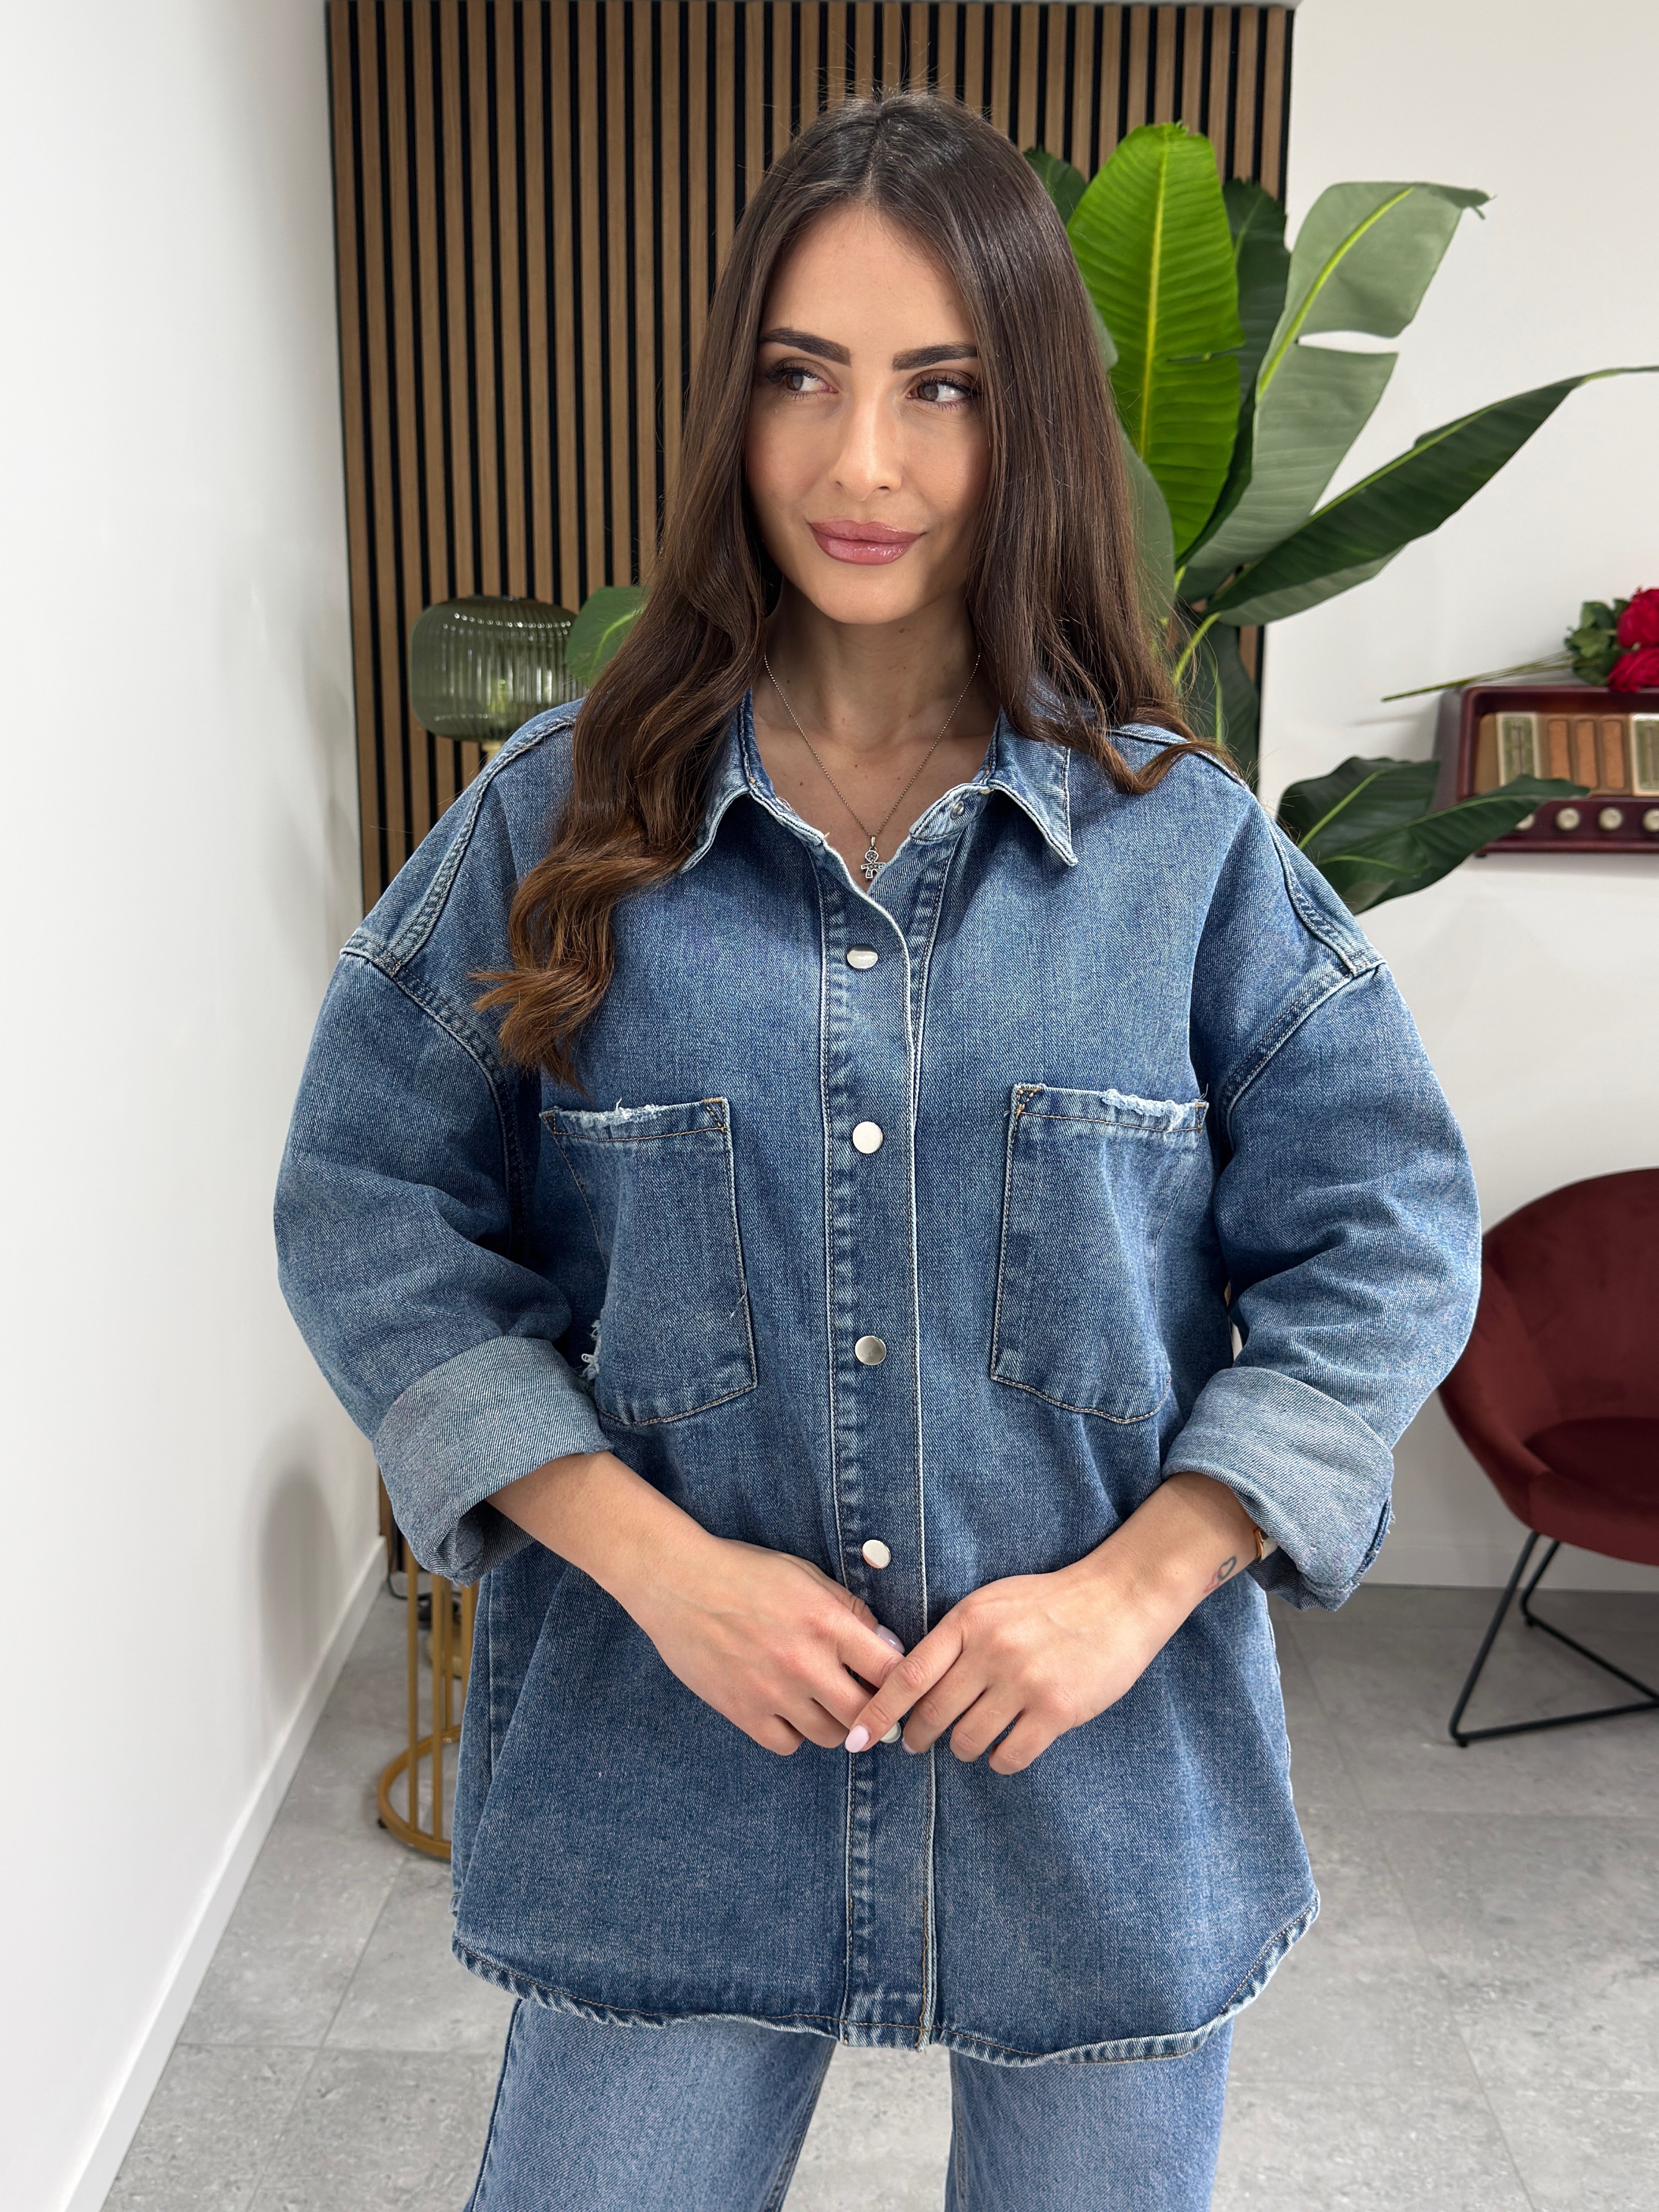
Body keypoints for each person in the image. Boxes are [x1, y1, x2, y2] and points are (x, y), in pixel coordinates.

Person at [276, 91, 1480, 2212]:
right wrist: (656, 1566)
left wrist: (1137, 1587)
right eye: (802, 377)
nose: (862, 464)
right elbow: (372, 1203)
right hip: (666, 1784)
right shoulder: (557, 820)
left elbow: (1386, 1236)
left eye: (942, 388)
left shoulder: (1185, 856)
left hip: (1099, 1794)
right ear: (733, 408)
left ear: (1029, 425)